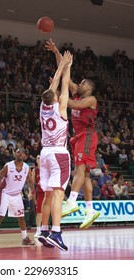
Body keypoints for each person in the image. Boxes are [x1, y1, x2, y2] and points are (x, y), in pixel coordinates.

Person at [46, 39, 100, 229]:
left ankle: (71, 201)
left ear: (89, 88)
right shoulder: (77, 91)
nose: (80, 83)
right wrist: (56, 53)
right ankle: (90, 209)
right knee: (84, 175)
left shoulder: (90, 99)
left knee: (80, 169)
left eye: (84, 82)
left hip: (87, 135)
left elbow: (72, 104)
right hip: (78, 136)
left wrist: (58, 92)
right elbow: (65, 73)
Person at [37, 51, 72, 251]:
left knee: (48, 195)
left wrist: (60, 66)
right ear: (56, 98)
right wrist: (67, 66)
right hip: (58, 153)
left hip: (45, 154)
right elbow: (63, 84)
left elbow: (53, 86)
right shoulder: (61, 108)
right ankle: (56, 233)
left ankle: (43, 230)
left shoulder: (43, 106)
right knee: (58, 194)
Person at [0, 148, 36, 247]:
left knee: (21, 217)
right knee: (1, 216)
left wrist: (33, 192)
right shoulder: (8, 166)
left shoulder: (27, 167)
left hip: (17, 195)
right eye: (18, 152)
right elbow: (0, 177)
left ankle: (25, 238)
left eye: (22, 153)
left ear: (25, 156)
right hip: (6, 194)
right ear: (15, 154)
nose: (20, 154)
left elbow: (30, 181)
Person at [32, 155, 45, 238]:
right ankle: (38, 230)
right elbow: (32, 184)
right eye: (38, 158)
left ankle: (45, 229)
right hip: (40, 193)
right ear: (36, 160)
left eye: (41, 157)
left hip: (48, 193)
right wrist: (31, 193)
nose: (39, 159)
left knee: (48, 212)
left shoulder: (47, 169)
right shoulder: (35, 170)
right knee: (39, 212)